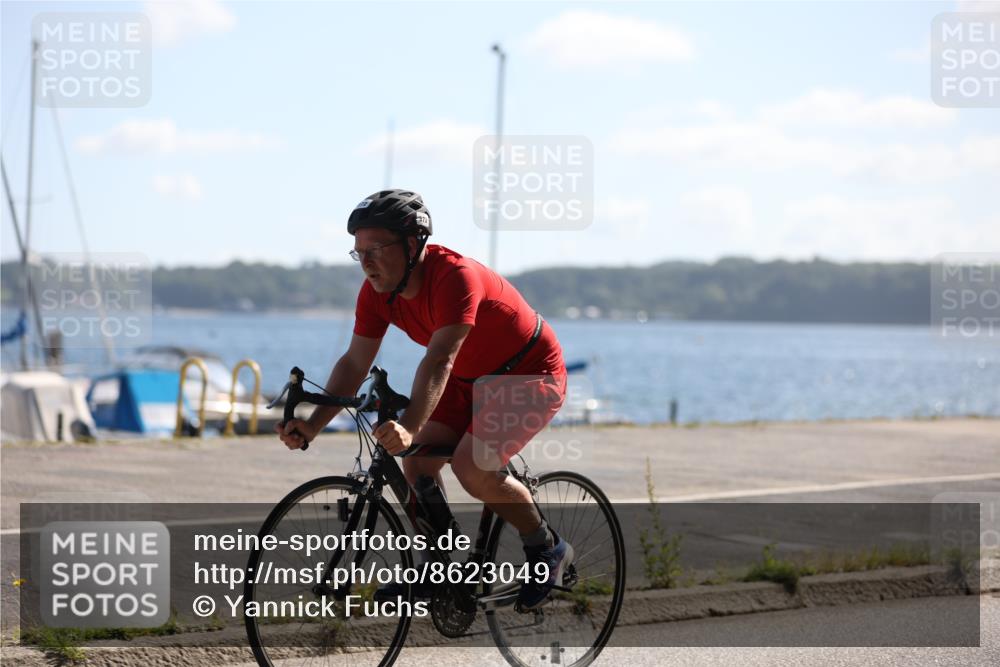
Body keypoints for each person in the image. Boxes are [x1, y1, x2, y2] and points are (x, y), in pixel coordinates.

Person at [275, 189, 572, 611]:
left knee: (473, 467)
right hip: (468, 378)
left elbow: (439, 360)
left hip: (528, 373)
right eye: (358, 252)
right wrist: (312, 425)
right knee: (416, 460)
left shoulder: (455, 277)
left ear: (412, 244)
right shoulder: (376, 291)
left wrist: (410, 425)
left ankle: (547, 548)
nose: (367, 262)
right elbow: (355, 360)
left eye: (375, 249)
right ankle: (438, 571)